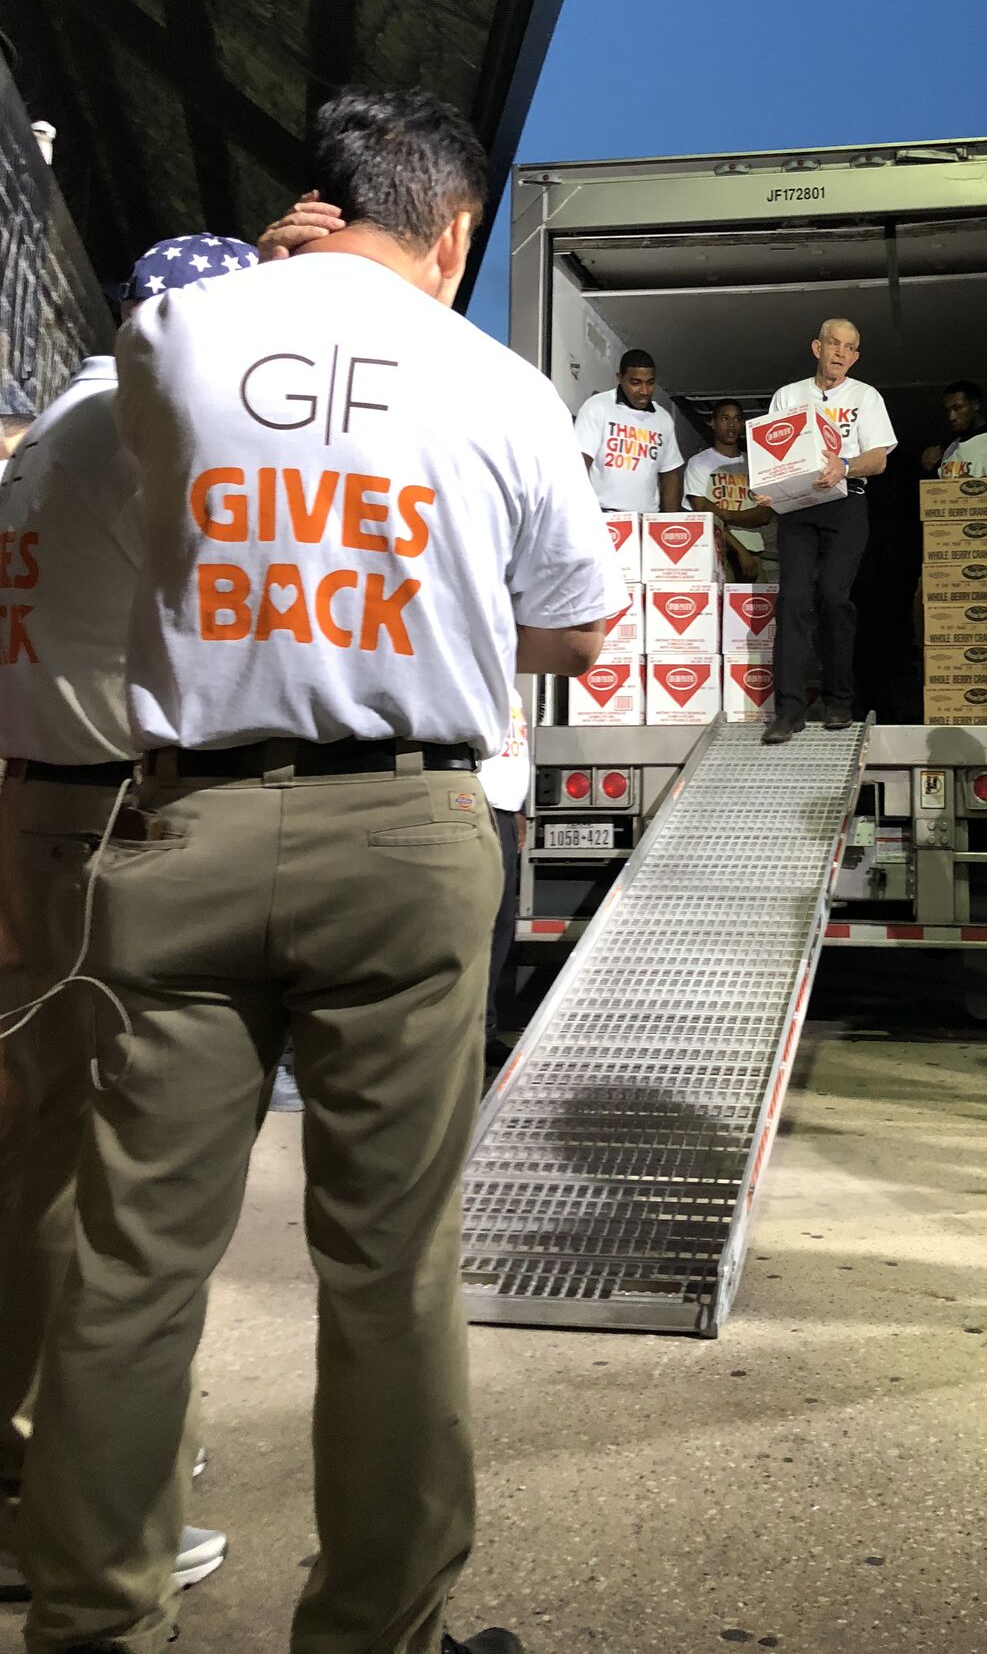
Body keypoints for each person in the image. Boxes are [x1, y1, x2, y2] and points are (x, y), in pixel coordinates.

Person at [21, 87, 620, 1654]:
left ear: (318, 206)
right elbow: (578, 627)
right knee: (389, 1267)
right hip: (404, 838)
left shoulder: (174, 339)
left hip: (186, 824)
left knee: (132, 1258)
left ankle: (93, 1621)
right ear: (457, 231)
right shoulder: (498, 385)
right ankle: (377, 1628)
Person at [0, 243, 256, 1606]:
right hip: (105, 823)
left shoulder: (50, 429)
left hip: (37, 807)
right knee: (122, 1174)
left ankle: (42, 1461)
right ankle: (76, 1504)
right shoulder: (137, 436)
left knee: (42, 1156)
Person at [762, 317, 895, 744]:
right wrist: (766, 487)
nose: (839, 352)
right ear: (816, 347)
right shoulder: (788, 395)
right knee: (793, 600)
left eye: (849, 347)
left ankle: (840, 701)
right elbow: (771, 450)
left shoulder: (866, 397)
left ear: (855, 357)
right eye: (832, 344)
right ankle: (789, 711)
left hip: (846, 501)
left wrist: (846, 465)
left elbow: (878, 459)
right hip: (798, 506)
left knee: (834, 598)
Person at [480, 688, 530, 1079]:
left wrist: (518, 810)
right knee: (481, 928)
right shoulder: (476, 671)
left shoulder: (509, 685)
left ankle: (485, 1032)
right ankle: (468, 1036)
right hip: (477, 806)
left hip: (503, 808)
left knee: (501, 929)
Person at [574, 348, 684, 513]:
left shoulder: (663, 418)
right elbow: (579, 462)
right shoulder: (598, 406)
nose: (644, 391)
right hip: (603, 515)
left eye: (650, 382)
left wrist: (669, 524)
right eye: (636, 383)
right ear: (620, 378)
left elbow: (670, 474)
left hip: (646, 520)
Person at [685, 397, 774, 578]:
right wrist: (740, 550)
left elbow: (764, 515)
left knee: (757, 605)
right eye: (725, 418)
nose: (732, 424)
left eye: (737, 419)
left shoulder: (755, 463)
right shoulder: (699, 463)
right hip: (715, 552)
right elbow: (703, 515)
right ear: (713, 423)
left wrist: (725, 515)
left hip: (753, 552)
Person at [920, 380, 987, 477]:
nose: (952, 417)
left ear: (975, 405)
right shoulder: (951, 449)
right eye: (948, 411)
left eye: (958, 408)